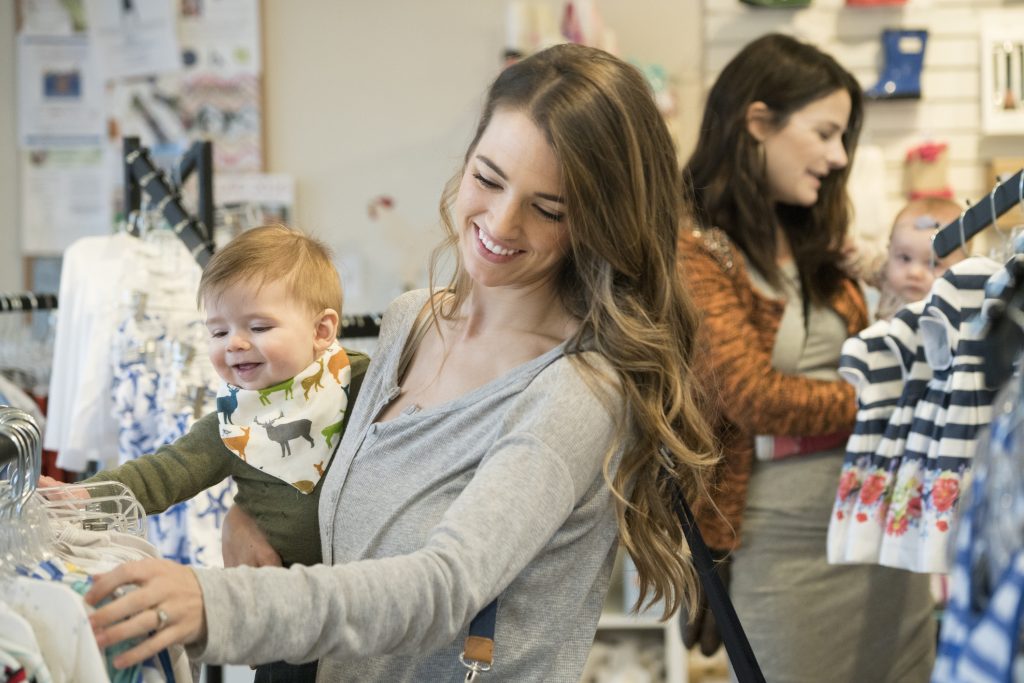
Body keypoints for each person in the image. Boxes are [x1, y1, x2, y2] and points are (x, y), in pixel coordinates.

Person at [83, 42, 717, 681]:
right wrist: (247, 519)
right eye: (487, 178)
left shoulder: (576, 392)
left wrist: (216, 604)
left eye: (548, 208)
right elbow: (336, 489)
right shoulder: (410, 323)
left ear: (601, 222)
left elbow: (443, 586)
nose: (500, 221)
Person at [678, 34, 935, 681]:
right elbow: (752, 393)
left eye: (843, 137)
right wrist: (887, 395)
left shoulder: (819, 239)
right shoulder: (692, 247)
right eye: (825, 132)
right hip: (783, 547)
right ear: (758, 121)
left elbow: (879, 310)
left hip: (879, 524)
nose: (838, 155)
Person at [41, 224, 369, 683]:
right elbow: (161, 473)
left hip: (371, 605)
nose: (234, 343)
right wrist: (79, 499)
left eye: (258, 326)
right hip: (286, 616)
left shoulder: (365, 387)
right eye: (218, 332)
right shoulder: (229, 426)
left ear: (321, 329)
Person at [871, 197, 967, 320]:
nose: (914, 273)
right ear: (889, 251)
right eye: (905, 258)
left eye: (934, 264)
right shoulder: (886, 280)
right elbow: (865, 263)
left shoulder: (954, 308)